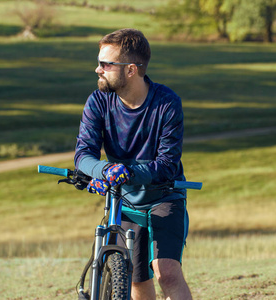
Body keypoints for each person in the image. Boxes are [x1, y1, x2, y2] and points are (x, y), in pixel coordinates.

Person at [74, 28, 192, 300]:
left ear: (130, 70)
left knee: (167, 272)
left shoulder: (167, 103)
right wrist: (105, 171)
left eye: (105, 64)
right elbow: (83, 155)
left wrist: (126, 172)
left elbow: (166, 164)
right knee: (136, 279)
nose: (97, 70)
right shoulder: (98, 102)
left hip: (165, 195)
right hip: (124, 200)